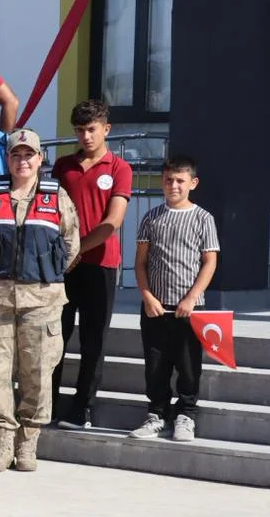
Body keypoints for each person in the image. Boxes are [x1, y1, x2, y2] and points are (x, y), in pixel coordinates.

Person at [0, 129, 81, 471]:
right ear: (9, 159)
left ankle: (28, 443)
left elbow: (71, 245)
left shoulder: (56, 195)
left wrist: (47, 276)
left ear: (40, 159)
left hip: (41, 301)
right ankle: (2, 443)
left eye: (29, 155)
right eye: (16, 155)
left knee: (38, 372)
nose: (22, 161)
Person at [51, 99, 133, 429]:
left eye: (91, 130)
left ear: (106, 129)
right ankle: (49, 405)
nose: (85, 136)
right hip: (64, 267)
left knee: (92, 341)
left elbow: (113, 221)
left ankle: (81, 409)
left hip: (101, 264)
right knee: (55, 338)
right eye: (80, 131)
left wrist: (77, 250)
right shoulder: (63, 166)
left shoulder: (118, 168)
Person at [130, 156, 220, 443]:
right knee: (155, 365)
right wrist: (147, 296)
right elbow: (141, 263)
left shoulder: (203, 218)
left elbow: (209, 262)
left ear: (193, 183)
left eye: (180, 180)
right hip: (156, 308)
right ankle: (156, 413)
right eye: (169, 180)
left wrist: (192, 298)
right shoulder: (150, 218)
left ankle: (186, 414)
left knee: (188, 364)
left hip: (188, 310)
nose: (174, 185)